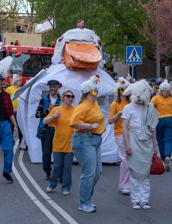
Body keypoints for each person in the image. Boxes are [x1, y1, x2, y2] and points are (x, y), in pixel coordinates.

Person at [70, 75, 105, 213]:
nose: (97, 92)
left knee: (97, 172)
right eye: (95, 90)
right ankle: (84, 202)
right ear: (89, 92)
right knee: (89, 172)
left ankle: (87, 199)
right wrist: (90, 126)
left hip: (95, 140)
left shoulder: (94, 103)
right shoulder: (82, 106)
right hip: (84, 139)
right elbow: (73, 122)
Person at [122, 80, 159, 210]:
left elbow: (153, 129)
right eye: (136, 94)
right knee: (135, 172)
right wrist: (127, 145)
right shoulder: (128, 108)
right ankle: (136, 200)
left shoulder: (150, 108)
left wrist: (155, 146)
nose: (138, 97)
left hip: (147, 142)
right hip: (133, 140)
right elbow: (124, 128)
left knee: (145, 173)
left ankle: (144, 200)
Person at [43, 89, 76, 195]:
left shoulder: (75, 110)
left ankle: (66, 187)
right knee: (57, 166)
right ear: (63, 98)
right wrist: (53, 116)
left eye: (72, 96)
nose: (70, 98)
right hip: (58, 143)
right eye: (68, 96)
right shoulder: (57, 109)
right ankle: (52, 184)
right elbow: (45, 121)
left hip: (70, 144)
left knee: (67, 167)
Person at [150, 80, 172, 172]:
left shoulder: (155, 98)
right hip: (169, 119)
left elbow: (150, 107)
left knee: (160, 140)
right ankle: (167, 155)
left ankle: (163, 159)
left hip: (158, 120)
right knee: (168, 140)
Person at [108, 77, 131, 195]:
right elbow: (109, 121)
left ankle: (131, 184)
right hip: (120, 133)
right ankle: (124, 185)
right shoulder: (115, 104)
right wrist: (118, 114)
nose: (124, 91)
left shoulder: (131, 103)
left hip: (132, 133)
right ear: (118, 91)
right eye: (121, 89)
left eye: (126, 89)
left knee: (133, 160)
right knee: (125, 160)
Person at [35, 80, 62, 180]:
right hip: (45, 129)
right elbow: (37, 115)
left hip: (58, 129)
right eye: (50, 87)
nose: (52, 88)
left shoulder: (62, 100)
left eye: (54, 86)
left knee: (58, 152)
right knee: (46, 152)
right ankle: (48, 172)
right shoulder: (43, 100)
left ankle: (59, 173)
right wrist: (48, 111)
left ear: (58, 88)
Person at [6, 74, 23, 145]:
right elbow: (6, 100)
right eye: (19, 81)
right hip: (11, 111)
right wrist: (11, 108)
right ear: (15, 81)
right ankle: (11, 139)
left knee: (20, 126)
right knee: (11, 126)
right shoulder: (9, 89)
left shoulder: (22, 89)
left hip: (20, 111)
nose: (20, 82)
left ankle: (21, 141)